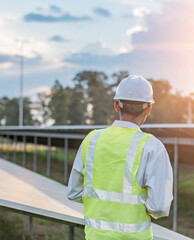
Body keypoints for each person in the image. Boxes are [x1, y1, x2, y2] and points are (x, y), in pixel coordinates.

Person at [67, 75, 173, 240]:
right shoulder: (153, 147)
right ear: (148, 109)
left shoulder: (92, 140)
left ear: (116, 105)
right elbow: (159, 207)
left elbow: (73, 192)